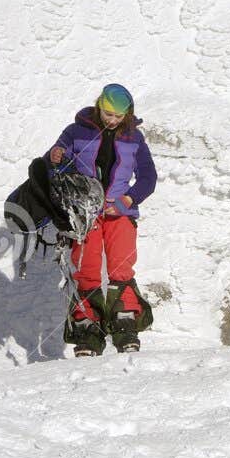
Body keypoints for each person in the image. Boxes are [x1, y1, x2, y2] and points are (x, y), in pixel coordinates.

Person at [47, 83, 158, 355]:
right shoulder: (76, 131)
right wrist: (55, 156)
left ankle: (125, 325)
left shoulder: (135, 138)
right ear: (99, 106)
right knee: (87, 268)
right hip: (84, 213)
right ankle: (88, 332)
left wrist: (126, 201)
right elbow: (51, 164)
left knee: (121, 265)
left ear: (128, 114)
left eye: (119, 116)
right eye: (108, 113)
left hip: (120, 211)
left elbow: (148, 177)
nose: (112, 120)